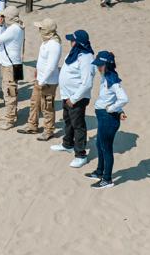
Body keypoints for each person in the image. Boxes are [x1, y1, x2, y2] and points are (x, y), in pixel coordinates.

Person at [51, 29, 96, 168]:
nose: (70, 42)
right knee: (68, 121)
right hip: (67, 96)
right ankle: (68, 144)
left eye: (72, 40)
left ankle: (81, 155)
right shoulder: (74, 53)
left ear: (78, 42)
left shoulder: (87, 58)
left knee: (78, 125)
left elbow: (87, 83)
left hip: (77, 98)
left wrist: (74, 99)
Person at [87, 50, 129, 190]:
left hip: (108, 118)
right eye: (97, 64)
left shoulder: (112, 80)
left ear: (108, 65)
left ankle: (107, 179)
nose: (98, 67)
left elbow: (123, 98)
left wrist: (113, 109)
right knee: (99, 144)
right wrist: (120, 110)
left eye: (101, 65)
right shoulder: (106, 76)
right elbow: (113, 98)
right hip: (104, 117)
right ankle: (100, 171)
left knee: (106, 148)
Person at [19, 18, 62, 140]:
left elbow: (51, 66)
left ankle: (49, 130)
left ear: (46, 30)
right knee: (35, 103)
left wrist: (42, 80)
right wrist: (38, 71)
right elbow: (43, 60)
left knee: (47, 107)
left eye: (41, 28)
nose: (39, 30)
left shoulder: (54, 45)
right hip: (40, 79)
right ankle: (32, 125)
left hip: (48, 82)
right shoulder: (46, 41)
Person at [0, 6, 26, 130]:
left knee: (10, 92)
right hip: (15, 64)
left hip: (10, 66)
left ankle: (10, 119)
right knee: (12, 90)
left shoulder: (13, 29)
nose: (1, 18)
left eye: (4, 16)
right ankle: (11, 113)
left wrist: (0, 26)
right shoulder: (17, 27)